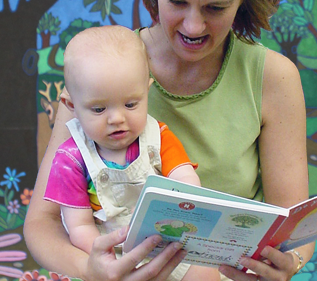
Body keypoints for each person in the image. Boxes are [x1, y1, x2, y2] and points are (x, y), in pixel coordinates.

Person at [24, 0, 312, 280]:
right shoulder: (100, 69)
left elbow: (294, 229)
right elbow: (41, 225)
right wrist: (95, 272)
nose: (193, 26)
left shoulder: (273, 78)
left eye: (215, 8)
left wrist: (288, 265)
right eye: (177, 1)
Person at [43, 26, 217, 281]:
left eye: (130, 104)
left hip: (166, 243)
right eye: (99, 109)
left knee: (205, 273)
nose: (117, 119)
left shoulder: (158, 136)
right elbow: (79, 226)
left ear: (147, 91)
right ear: (72, 106)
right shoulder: (70, 160)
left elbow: (186, 179)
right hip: (109, 255)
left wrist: (184, 206)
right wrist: (112, 263)